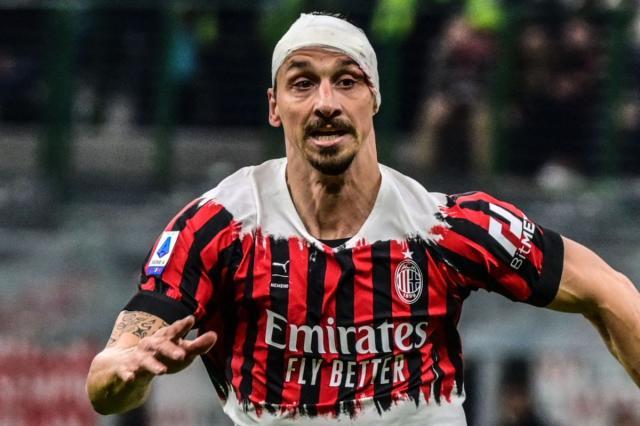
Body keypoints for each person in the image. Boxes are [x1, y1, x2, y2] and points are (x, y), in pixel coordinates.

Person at [86, 12, 640, 425]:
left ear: (374, 97)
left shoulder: (443, 228)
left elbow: (606, 290)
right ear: (274, 105)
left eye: (347, 81)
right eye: (303, 83)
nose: (326, 102)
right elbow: (108, 378)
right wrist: (126, 370)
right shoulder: (218, 227)